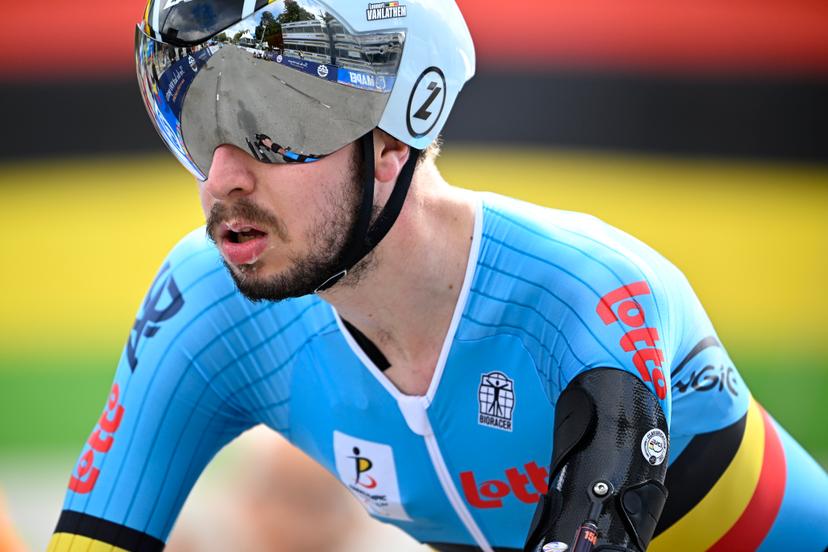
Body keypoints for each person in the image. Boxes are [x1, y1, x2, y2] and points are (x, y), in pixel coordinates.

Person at [49, 0, 827, 551]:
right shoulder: (207, 305)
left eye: (273, 126)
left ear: (396, 137)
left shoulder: (580, 294)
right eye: (196, 123)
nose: (223, 177)